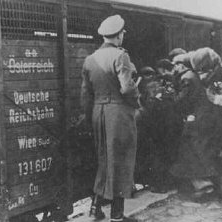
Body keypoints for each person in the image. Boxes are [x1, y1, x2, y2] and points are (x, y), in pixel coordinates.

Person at [80, 14, 139, 222]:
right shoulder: (121, 56)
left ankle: (96, 209)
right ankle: (117, 215)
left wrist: (90, 118)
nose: (123, 36)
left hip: (98, 114)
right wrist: (137, 102)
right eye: (122, 33)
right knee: (122, 161)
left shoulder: (90, 59)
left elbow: (85, 96)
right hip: (119, 115)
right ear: (118, 35)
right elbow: (127, 88)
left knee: (104, 160)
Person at [170, 48, 222, 198]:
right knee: (211, 152)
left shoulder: (191, 77)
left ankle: (202, 185)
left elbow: (183, 101)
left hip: (200, 119)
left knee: (190, 151)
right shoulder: (216, 76)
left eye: (176, 64)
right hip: (216, 119)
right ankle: (219, 188)